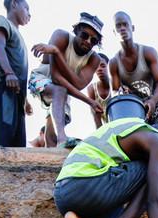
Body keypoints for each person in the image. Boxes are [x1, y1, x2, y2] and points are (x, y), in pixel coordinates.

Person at [29, 13, 104, 148]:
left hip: (64, 89)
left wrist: (57, 53)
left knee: (55, 124)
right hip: (42, 78)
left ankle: (51, 156)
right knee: (59, 93)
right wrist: (89, 101)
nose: (88, 41)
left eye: (93, 40)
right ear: (76, 31)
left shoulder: (94, 59)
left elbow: (80, 84)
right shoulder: (61, 36)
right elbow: (55, 77)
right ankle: (63, 138)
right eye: (84, 35)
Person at [0, 0, 31, 147]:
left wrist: (26, 100)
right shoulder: (2, 21)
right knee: (5, 129)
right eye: (26, 9)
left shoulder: (20, 36)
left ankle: (13, 169)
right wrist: (9, 73)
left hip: (17, 93)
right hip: (3, 83)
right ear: (14, 4)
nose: (29, 15)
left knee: (18, 140)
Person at [109, 12, 158, 123]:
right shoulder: (114, 63)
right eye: (118, 26)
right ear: (114, 32)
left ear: (132, 28)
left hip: (157, 102)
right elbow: (115, 91)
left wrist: (153, 101)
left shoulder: (148, 52)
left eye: (125, 24)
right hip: (134, 108)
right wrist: (121, 93)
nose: (122, 28)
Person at [86, 53, 111, 128]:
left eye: (103, 66)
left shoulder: (116, 84)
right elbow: (96, 116)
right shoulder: (92, 89)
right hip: (106, 127)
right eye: (96, 67)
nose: (99, 69)